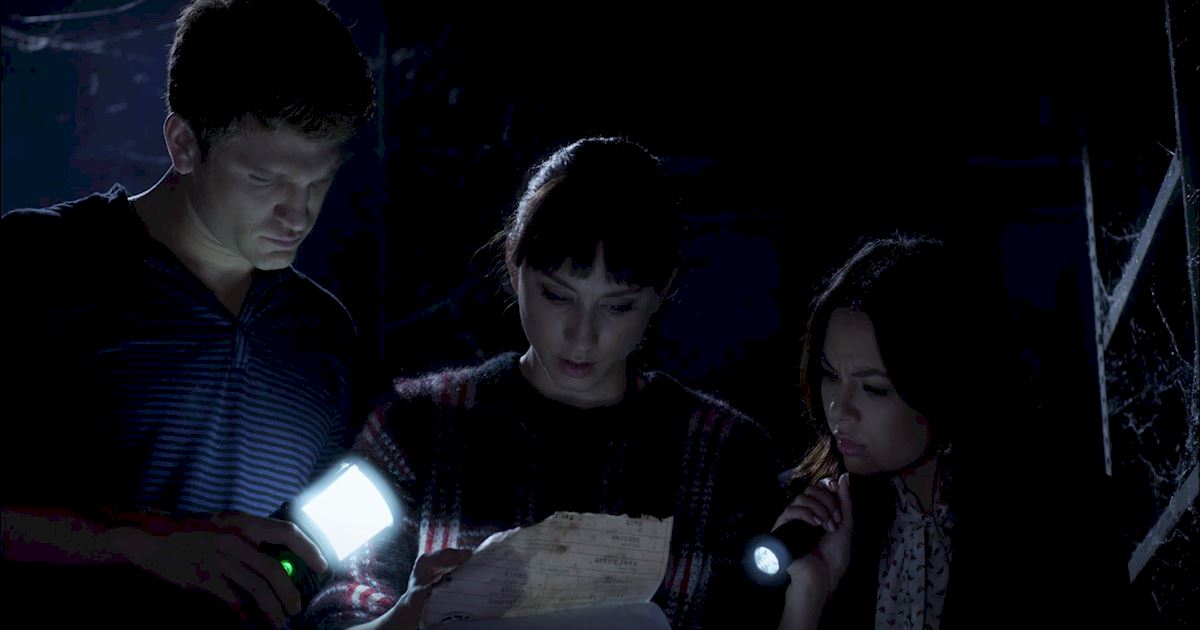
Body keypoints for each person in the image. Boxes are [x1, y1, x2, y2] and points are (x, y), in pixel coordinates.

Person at [301, 137, 786, 630]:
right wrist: (404, 617)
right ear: (515, 266)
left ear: (662, 291)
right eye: (557, 295)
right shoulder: (415, 426)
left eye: (618, 306)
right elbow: (337, 601)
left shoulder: (726, 456)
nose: (582, 335)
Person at [0, 1, 375, 627]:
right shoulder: (35, 265)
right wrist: (135, 544)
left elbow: (331, 559)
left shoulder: (325, 335)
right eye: (265, 180)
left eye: (318, 182)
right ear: (183, 144)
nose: (299, 215)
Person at [772, 235, 1131, 629]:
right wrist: (807, 596)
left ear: (941, 384)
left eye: (874, 388)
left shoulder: (1062, 514)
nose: (839, 409)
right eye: (830, 374)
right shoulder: (810, 519)